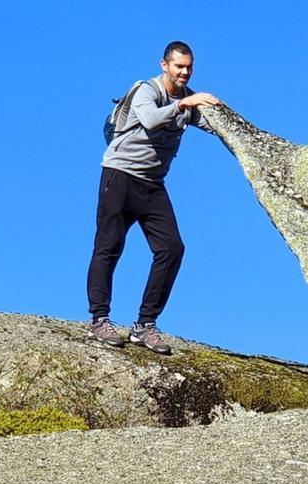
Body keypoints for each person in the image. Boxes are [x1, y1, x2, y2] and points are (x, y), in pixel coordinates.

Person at [87, 40, 221, 355]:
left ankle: (145, 324)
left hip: (152, 185)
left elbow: (213, 125)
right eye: (179, 66)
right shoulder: (148, 91)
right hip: (120, 176)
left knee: (172, 249)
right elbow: (149, 119)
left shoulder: (190, 100)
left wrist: (231, 123)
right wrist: (185, 106)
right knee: (109, 247)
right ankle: (99, 319)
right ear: (165, 65)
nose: (185, 72)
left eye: (189, 67)